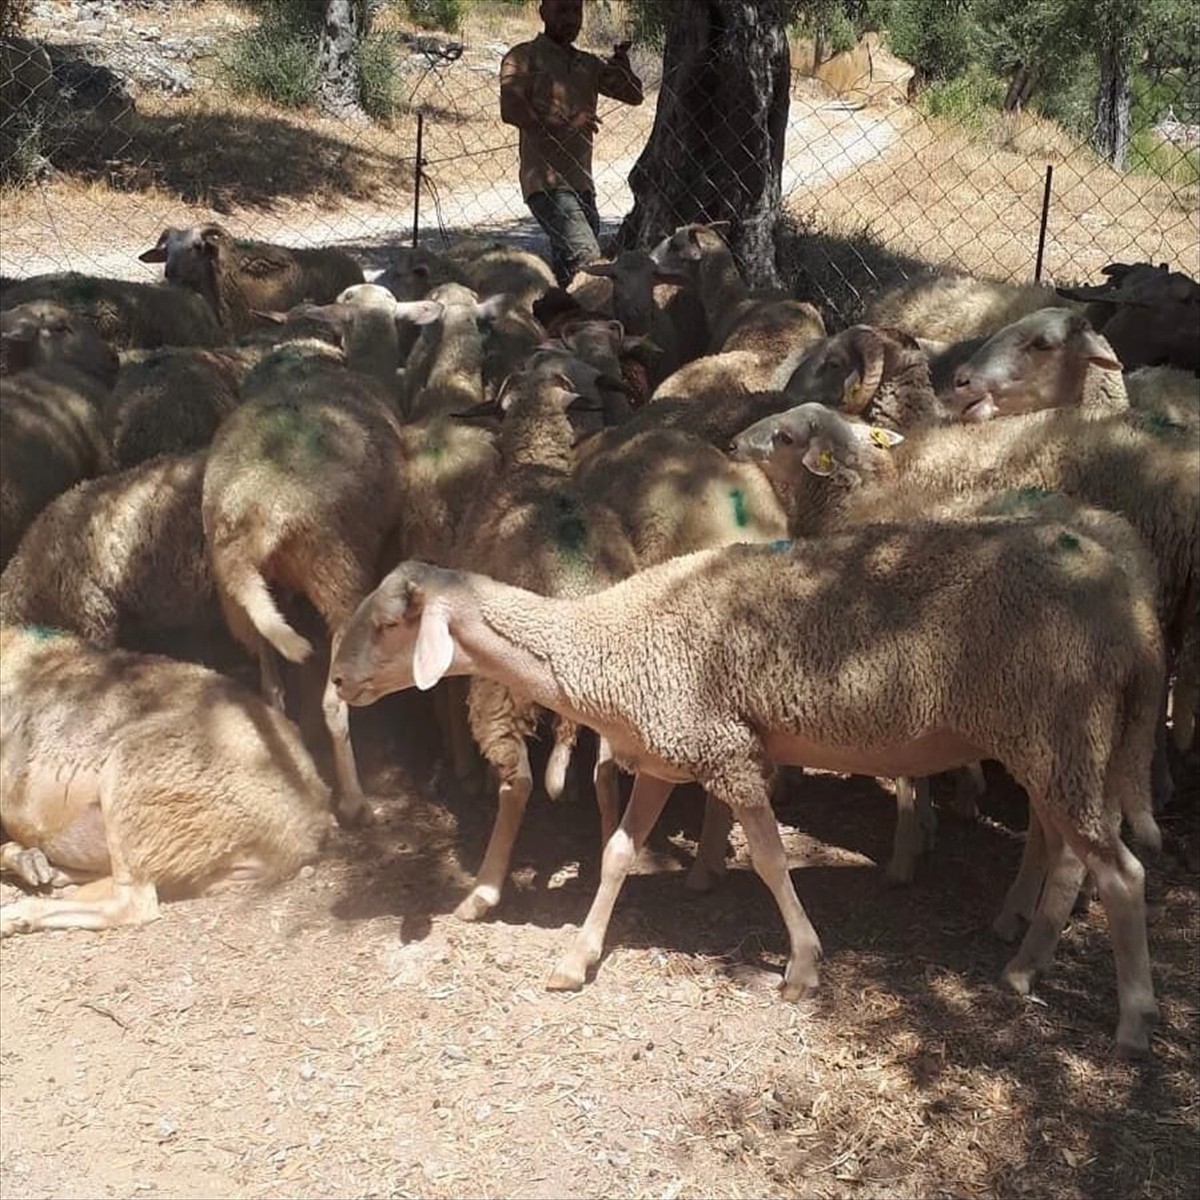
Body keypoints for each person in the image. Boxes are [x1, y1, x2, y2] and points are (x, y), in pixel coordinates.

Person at [499, 0, 644, 287]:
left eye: (576, 11)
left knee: (569, 274)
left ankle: (561, 323)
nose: (570, 18)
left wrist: (624, 68)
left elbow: (634, 95)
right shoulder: (523, 57)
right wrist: (565, 123)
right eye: (561, 10)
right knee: (588, 261)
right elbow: (511, 109)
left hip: (582, 185)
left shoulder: (587, 63)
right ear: (543, 12)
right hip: (546, 184)